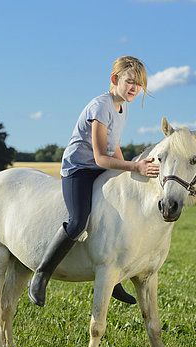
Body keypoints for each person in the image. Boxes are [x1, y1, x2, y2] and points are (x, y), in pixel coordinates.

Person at [29, 56, 160, 307]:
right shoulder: (101, 106)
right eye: (129, 81)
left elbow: (115, 147)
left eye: (139, 84)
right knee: (79, 221)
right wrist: (135, 165)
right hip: (79, 169)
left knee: (117, 214)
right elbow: (101, 157)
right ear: (115, 80)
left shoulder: (123, 107)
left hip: (100, 168)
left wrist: (129, 174)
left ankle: (113, 279)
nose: (134, 88)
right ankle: (42, 274)